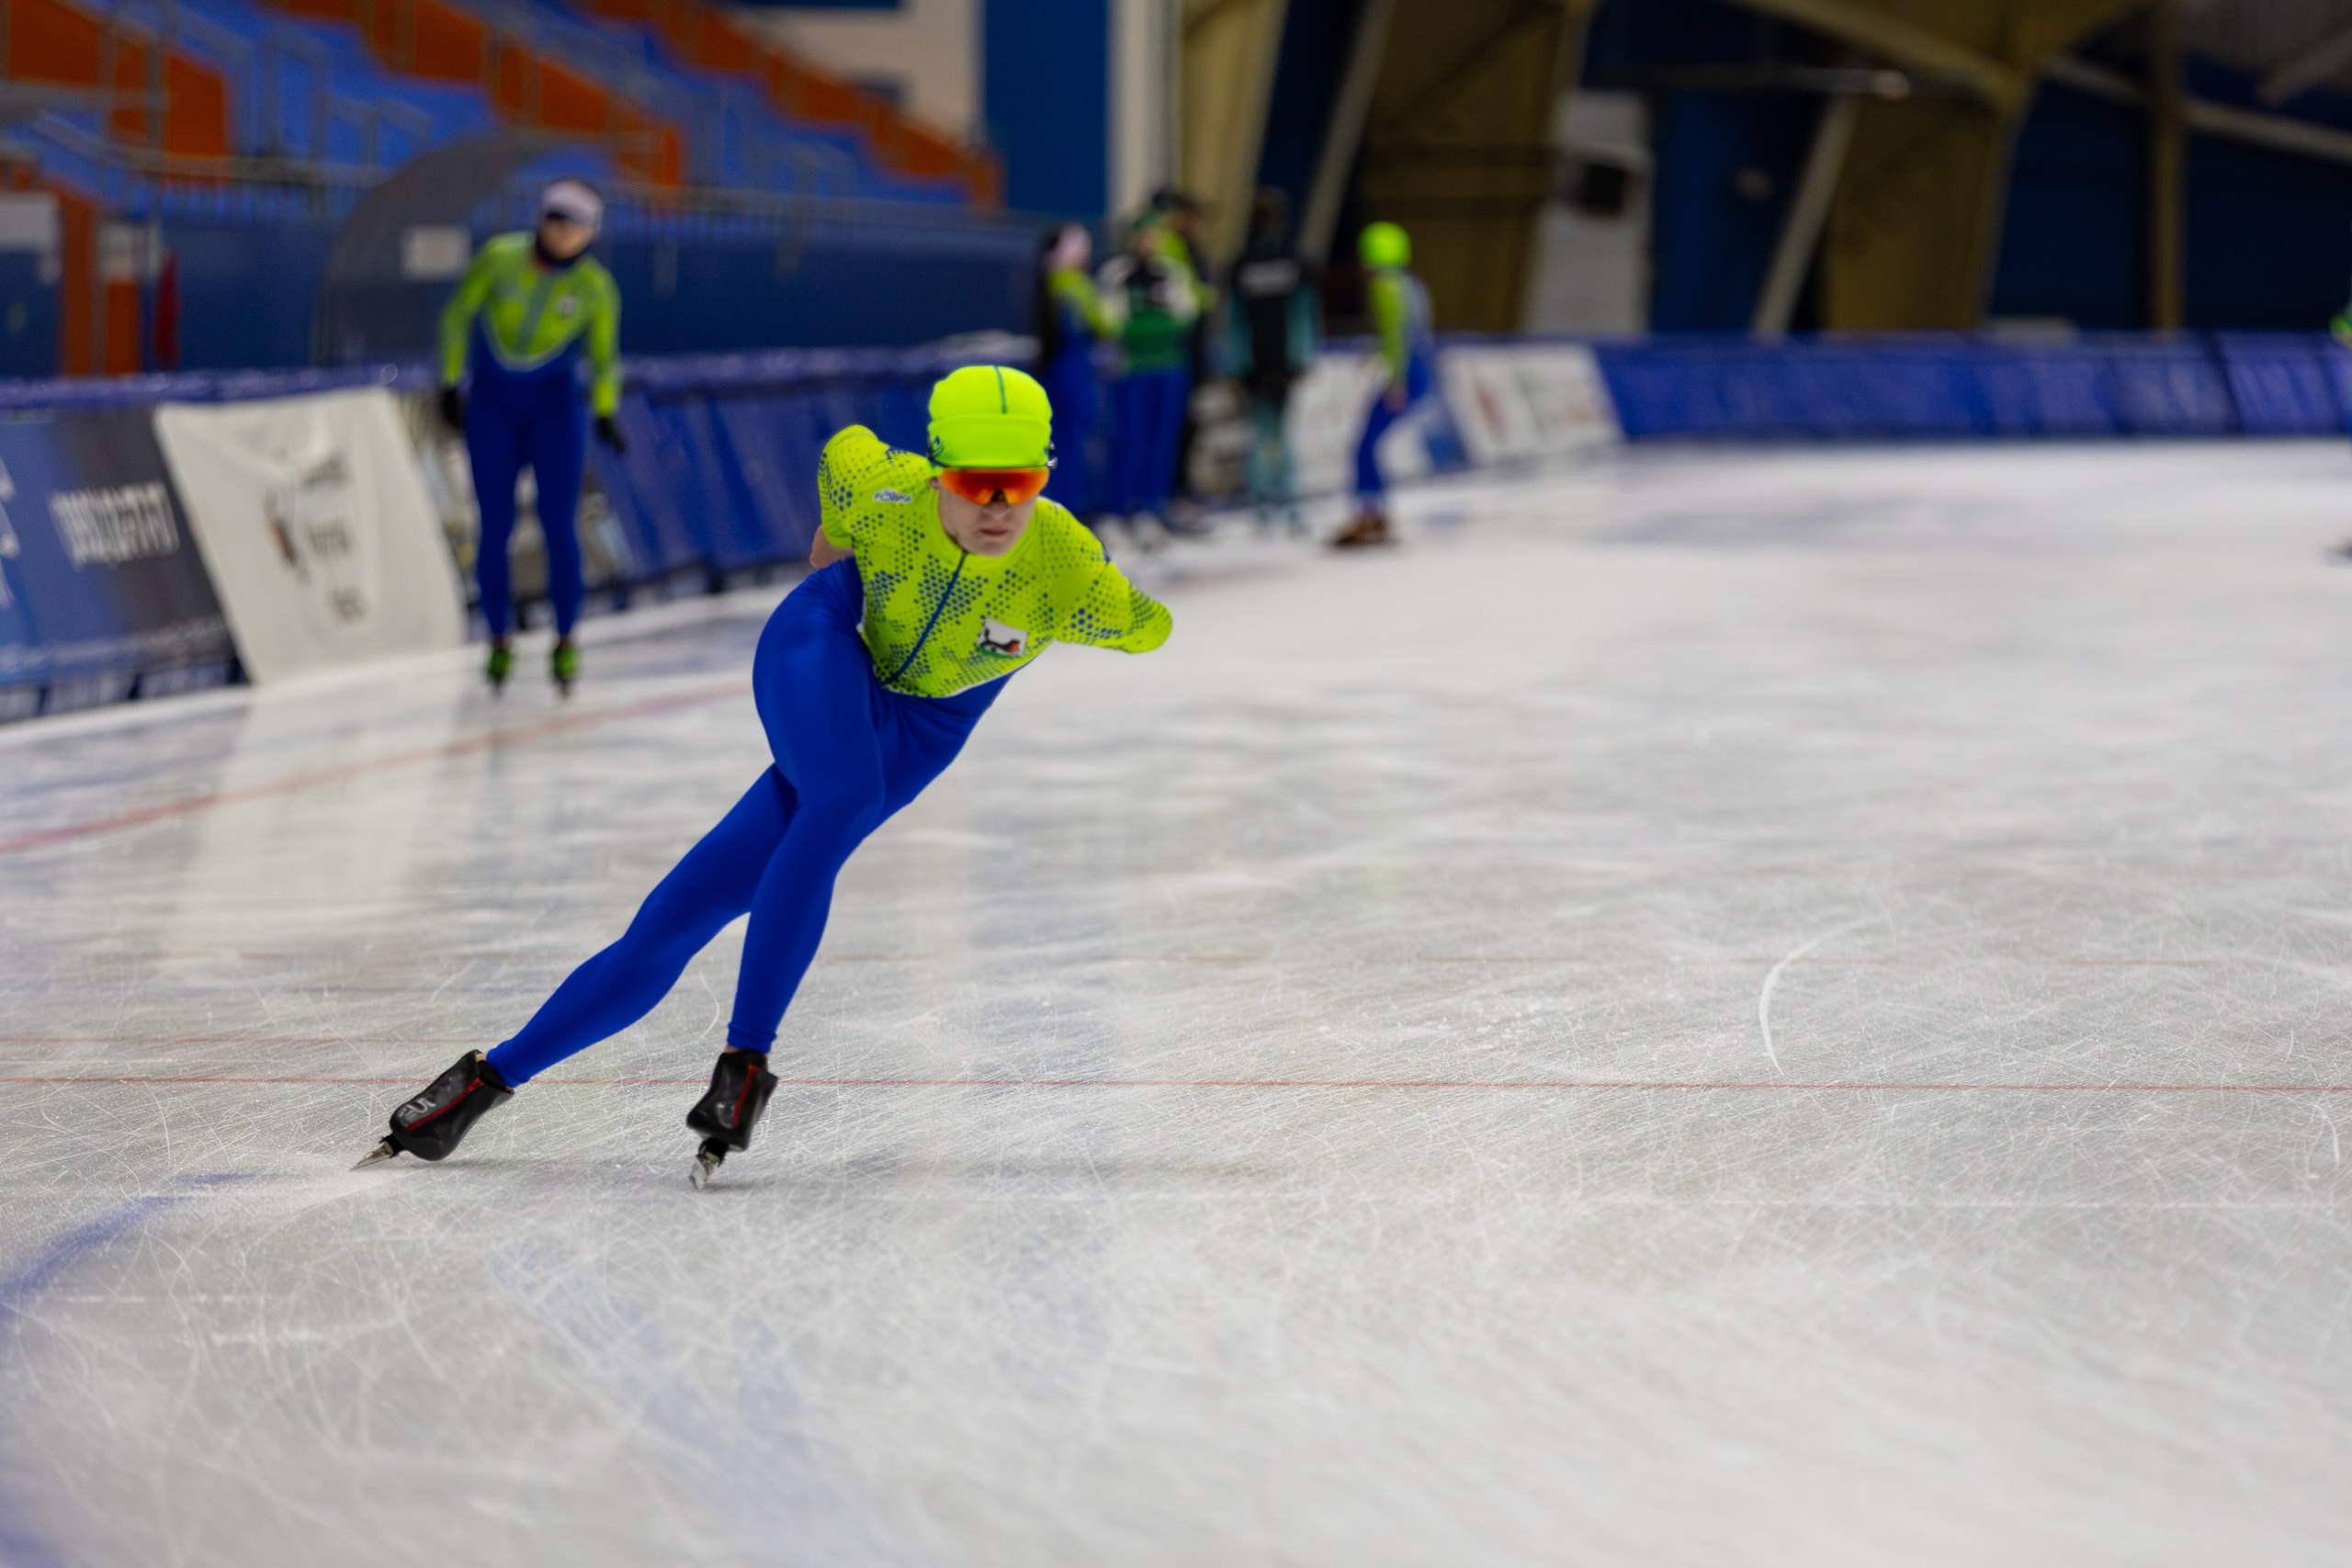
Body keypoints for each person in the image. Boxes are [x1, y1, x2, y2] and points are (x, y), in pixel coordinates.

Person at [357, 366, 1174, 1188]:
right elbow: (842, 461)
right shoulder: (885, 489)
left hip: (919, 728)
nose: (998, 507)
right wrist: (836, 564)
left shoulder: (1069, 567)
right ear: (937, 467)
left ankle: (484, 1080)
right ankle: (746, 1060)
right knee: (843, 795)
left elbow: (1150, 626)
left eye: (1020, 484)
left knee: (679, 917)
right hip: (824, 645)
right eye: (976, 483)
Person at [438, 178, 625, 696]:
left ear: (591, 233)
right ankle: (498, 638)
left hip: (554, 411)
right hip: (494, 407)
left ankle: (565, 640)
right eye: (554, 220)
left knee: (558, 524)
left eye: (574, 225)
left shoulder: (595, 287)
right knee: (492, 526)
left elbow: (606, 357)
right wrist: (450, 380)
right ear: (539, 219)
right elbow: (457, 317)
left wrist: (607, 411)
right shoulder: (500, 258)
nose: (561, 233)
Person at [1096, 211, 1201, 544]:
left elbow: (1186, 314)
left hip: (1169, 366)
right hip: (1133, 370)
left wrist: (1149, 325)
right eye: (1142, 235)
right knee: (1130, 441)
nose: (1148, 242)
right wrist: (1152, 325)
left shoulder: (1172, 272)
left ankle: (1152, 508)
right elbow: (1113, 322)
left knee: (1163, 441)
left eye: (1154, 236)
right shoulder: (1117, 274)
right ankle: (1120, 509)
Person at [1222, 188, 1320, 533]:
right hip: (1279, 362)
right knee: (1279, 434)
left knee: (1263, 434)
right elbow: (1302, 316)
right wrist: (1300, 358)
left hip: (1257, 363)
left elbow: (1234, 321)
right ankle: (1283, 504)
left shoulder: (1242, 265)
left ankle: (1265, 505)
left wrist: (1236, 365)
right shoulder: (1293, 262)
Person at [1333, 220, 1433, 549]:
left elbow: (1398, 334)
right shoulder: (1409, 283)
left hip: (1407, 373)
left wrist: (1395, 380)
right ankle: (1375, 515)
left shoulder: (1384, 287)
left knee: (1363, 446)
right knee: (1370, 445)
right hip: (1419, 369)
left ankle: (1369, 516)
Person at [1032, 224, 1118, 520]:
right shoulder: (1077, 286)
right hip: (1073, 369)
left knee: (1056, 441)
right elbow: (1107, 324)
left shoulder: (1047, 281)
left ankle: (1056, 506)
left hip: (1054, 369)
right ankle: (1072, 508)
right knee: (1074, 441)